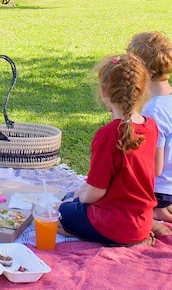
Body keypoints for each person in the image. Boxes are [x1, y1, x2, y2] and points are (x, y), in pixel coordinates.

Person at [57, 54, 161, 247]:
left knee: (59, 215)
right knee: (73, 206)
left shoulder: (109, 135)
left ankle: (122, 241)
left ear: (104, 91)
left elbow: (96, 192)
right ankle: (136, 236)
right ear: (142, 90)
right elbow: (154, 170)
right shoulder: (151, 126)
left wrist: (80, 198)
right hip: (142, 220)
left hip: (113, 223)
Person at [127, 31, 172, 232]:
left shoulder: (153, 110)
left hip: (158, 190)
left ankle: (156, 212)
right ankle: (166, 207)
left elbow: (154, 167)